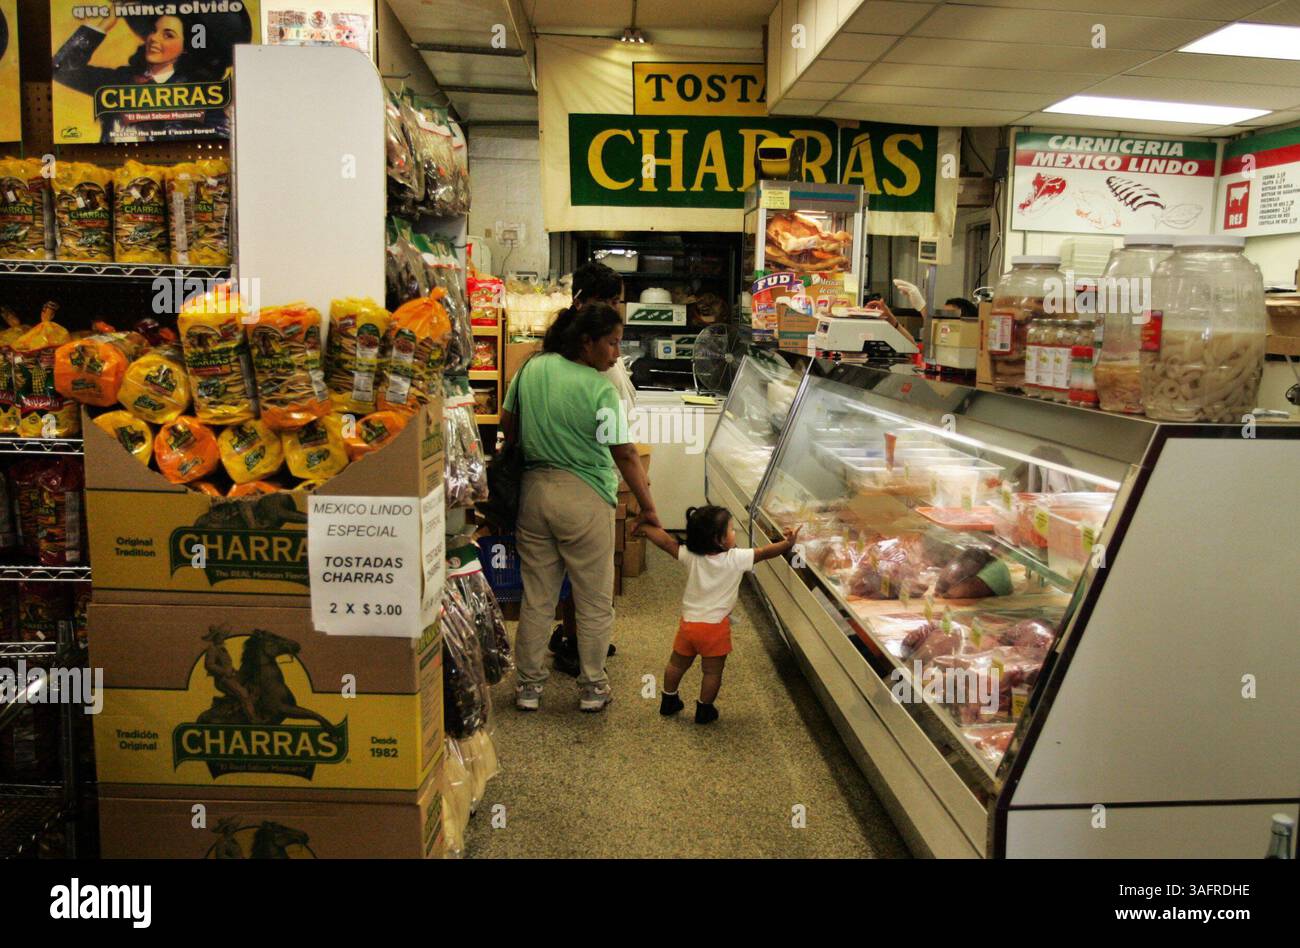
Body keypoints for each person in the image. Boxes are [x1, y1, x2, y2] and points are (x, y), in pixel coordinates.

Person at [503, 302, 658, 713]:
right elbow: (624, 453)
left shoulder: (530, 370)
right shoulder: (599, 388)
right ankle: (592, 687)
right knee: (592, 599)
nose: (615, 354)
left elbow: (508, 425)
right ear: (585, 342)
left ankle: (528, 688)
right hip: (585, 498)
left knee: (537, 597)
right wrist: (649, 507)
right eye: (611, 343)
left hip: (534, 493)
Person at [548, 261, 635, 676]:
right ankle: (578, 645)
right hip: (586, 478)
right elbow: (613, 438)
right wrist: (638, 483)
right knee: (586, 577)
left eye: (618, 300)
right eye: (611, 300)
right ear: (586, 302)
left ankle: (579, 637)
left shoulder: (591, 348)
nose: (617, 308)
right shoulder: (581, 354)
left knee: (582, 574)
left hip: (587, 475)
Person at [637, 506, 798, 724]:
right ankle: (704, 709)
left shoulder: (691, 556)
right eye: (731, 530)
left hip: (689, 625)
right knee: (712, 672)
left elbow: (666, 542)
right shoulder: (736, 558)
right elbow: (764, 552)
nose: (735, 533)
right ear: (718, 539)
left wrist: (645, 526)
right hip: (715, 628)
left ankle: (669, 699)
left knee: (676, 664)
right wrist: (787, 544)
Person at [52, 11, 251, 143]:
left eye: (168, 35)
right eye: (154, 31)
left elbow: (221, 135)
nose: (154, 38)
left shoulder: (206, 88)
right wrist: (104, 22)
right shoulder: (121, 80)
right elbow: (61, 70)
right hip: (122, 180)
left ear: (185, 48)